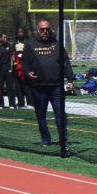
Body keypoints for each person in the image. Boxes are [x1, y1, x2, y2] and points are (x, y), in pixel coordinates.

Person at [22, 19, 73, 147]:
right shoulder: (30, 44)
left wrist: (70, 79)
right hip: (38, 87)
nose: (45, 31)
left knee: (60, 114)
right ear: (38, 30)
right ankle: (45, 139)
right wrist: (27, 72)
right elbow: (24, 62)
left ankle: (63, 139)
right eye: (42, 29)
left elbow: (66, 62)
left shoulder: (57, 44)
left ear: (50, 30)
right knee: (41, 115)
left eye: (47, 29)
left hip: (56, 86)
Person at [0, 33, 15, 108]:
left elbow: (12, 55)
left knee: (10, 87)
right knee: (0, 87)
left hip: (8, 69)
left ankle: (12, 104)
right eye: (4, 37)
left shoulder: (9, 46)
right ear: (0, 39)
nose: (6, 38)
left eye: (6, 37)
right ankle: (0, 104)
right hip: (0, 69)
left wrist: (12, 53)